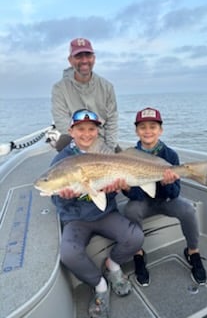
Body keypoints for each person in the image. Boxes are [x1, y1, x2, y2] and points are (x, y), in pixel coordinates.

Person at [51, 109, 144, 318]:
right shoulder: (61, 160)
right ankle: (99, 284)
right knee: (69, 254)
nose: (86, 134)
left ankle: (113, 265)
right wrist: (64, 196)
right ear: (71, 131)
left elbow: (117, 192)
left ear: (97, 131)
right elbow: (54, 198)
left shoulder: (106, 154)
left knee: (136, 237)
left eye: (91, 129)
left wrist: (119, 188)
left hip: (105, 214)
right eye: (80, 129)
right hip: (76, 219)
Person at [122, 107, 207, 287]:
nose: (147, 131)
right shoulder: (127, 156)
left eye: (153, 126)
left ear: (161, 130)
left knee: (187, 209)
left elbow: (175, 193)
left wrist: (166, 183)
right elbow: (134, 196)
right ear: (136, 130)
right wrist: (128, 189)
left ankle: (193, 252)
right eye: (142, 127)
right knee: (129, 210)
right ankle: (138, 254)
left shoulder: (170, 155)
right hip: (143, 202)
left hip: (167, 201)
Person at [51, 38, 118, 152]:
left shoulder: (107, 87)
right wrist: (84, 143)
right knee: (62, 145)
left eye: (88, 55)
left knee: (123, 160)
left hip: (101, 140)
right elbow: (62, 122)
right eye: (79, 56)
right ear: (70, 60)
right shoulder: (59, 89)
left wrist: (108, 150)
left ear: (94, 58)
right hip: (75, 139)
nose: (84, 60)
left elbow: (112, 121)